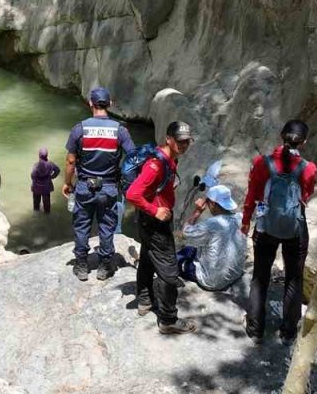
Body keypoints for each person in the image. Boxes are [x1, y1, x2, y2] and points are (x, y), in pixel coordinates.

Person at [243, 119, 317, 345]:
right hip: (295, 228)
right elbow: (306, 195)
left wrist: (246, 221)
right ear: (303, 142)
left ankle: (255, 330)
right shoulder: (309, 168)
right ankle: (288, 333)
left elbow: (252, 195)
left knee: (260, 277)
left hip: (266, 225)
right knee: (293, 278)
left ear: (281, 135)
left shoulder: (261, 163)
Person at [126, 120, 197, 334]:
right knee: (168, 270)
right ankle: (168, 319)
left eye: (187, 141)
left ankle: (145, 301)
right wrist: (155, 210)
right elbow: (132, 194)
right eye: (180, 141)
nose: (184, 145)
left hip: (152, 219)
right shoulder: (156, 164)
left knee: (147, 257)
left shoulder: (168, 158)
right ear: (169, 139)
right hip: (155, 220)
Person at [64, 87, 135, 281]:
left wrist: (67, 183)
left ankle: (81, 266)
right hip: (109, 187)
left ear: (90, 104)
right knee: (106, 226)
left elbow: (71, 162)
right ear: (110, 104)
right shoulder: (120, 130)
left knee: (81, 226)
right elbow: (133, 158)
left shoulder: (80, 129)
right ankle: (104, 267)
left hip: (84, 186)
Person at [176, 184, 246, 292]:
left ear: (212, 204)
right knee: (188, 249)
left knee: (176, 259)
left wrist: (197, 211)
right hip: (236, 273)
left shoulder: (211, 224)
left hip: (212, 281)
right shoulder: (241, 217)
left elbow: (185, 232)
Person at [30, 148, 60, 213]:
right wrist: (52, 177)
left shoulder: (36, 165)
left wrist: (34, 184)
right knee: (47, 207)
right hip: (46, 186)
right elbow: (57, 170)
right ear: (47, 155)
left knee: (36, 206)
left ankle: (37, 217)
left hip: (37, 187)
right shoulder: (51, 164)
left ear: (39, 155)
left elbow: (32, 176)